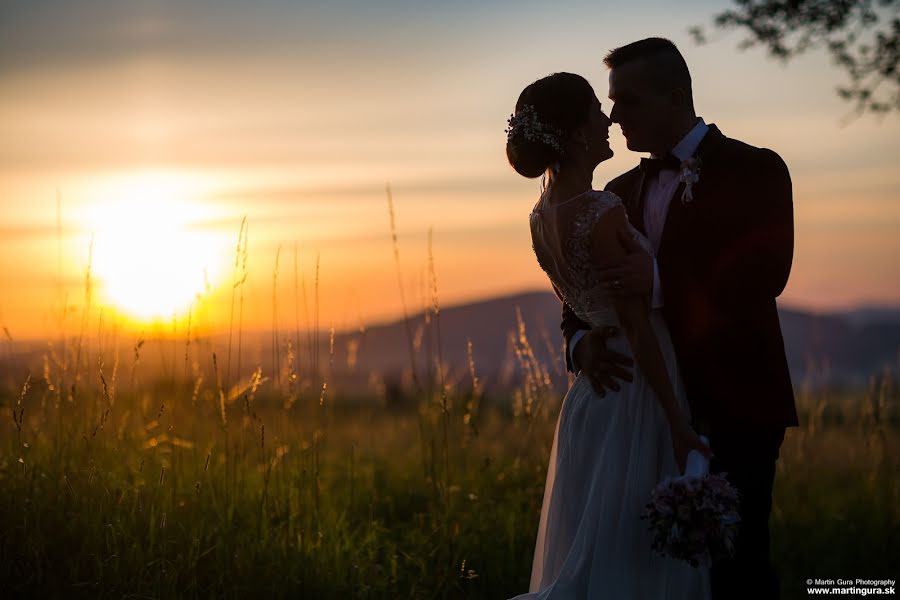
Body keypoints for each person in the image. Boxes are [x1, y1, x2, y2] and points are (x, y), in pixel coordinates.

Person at [562, 38, 800, 599]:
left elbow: (767, 273)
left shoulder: (757, 169)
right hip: (637, 413)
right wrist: (580, 344)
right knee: (644, 567)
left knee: (736, 566)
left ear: (675, 97)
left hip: (735, 402)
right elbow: (579, 291)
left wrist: (662, 282)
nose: (615, 115)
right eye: (611, 102)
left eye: (630, 101)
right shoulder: (613, 194)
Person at [507, 71, 712, 599]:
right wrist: (675, 421)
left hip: (592, 398)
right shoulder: (602, 210)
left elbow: (581, 301)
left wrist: (588, 340)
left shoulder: (539, 216)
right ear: (576, 134)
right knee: (629, 562)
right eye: (599, 109)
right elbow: (638, 326)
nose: (609, 119)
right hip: (636, 391)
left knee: (599, 550)